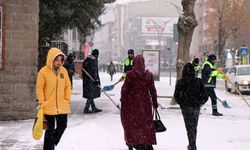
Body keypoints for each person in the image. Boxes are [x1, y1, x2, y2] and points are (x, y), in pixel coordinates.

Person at [36, 48, 72, 150]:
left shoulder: (63, 71)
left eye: (61, 60)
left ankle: (52, 143)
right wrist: (43, 102)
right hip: (49, 105)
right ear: (51, 59)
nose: (59, 62)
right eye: (57, 60)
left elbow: (68, 86)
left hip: (62, 104)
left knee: (63, 126)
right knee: (50, 130)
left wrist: (67, 98)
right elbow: (39, 87)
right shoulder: (43, 72)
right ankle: (48, 148)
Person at [120, 55, 158, 150]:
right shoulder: (149, 75)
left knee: (133, 124)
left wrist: (124, 101)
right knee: (145, 125)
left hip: (133, 104)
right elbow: (153, 90)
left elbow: (124, 90)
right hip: (145, 104)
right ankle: (145, 142)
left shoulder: (130, 75)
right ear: (143, 63)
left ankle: (134, 142)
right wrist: (155, 103)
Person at [174, 62, 208, 150]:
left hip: (186, 108)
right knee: (194, 127)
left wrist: (182, 104)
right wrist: (199, 103)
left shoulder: (181, 82)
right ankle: (192, 145)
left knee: (189, 127)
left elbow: (176, 96)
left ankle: (192, 145)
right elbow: (205, 96)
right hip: (196, 107)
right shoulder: (198, 81)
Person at [82, 49, 102, 114]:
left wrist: (97, 80)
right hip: (91, 81)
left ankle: (93, 107)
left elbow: (93, 71)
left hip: (88, 81)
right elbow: (93, 71)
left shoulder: (88, 60)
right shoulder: (92, 61)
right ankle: (86, 108)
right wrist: (96, 80)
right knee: (91, 95)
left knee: (91, 94)